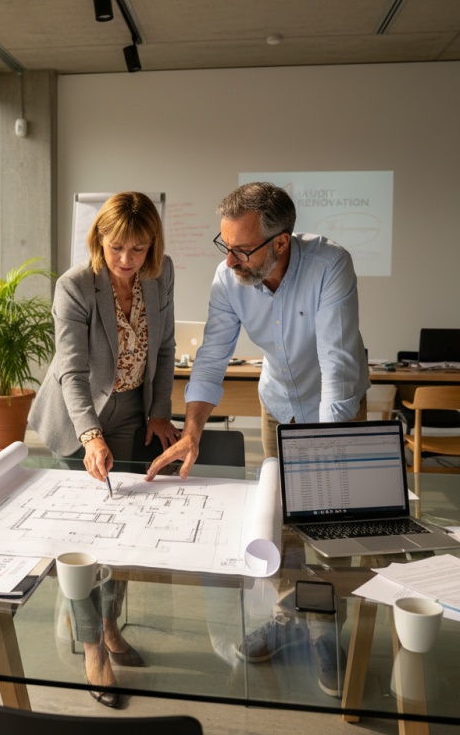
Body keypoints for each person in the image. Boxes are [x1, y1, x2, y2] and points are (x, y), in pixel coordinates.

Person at [146, 181, 370, 697]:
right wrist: (194, 431)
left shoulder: (330, 265)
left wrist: (319, 458)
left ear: (282, 242)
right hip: (278, 403)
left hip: (336, 408)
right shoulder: (230, 280)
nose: (230, 261)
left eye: (242, 249)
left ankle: (326, 628)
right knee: (281, 520)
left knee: (331, 522)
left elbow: (336, 368)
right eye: (225, 247)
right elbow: (211, 357)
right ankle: (292, 613)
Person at [29, 191, 179, 708]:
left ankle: (110, 625)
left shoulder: (162, 275)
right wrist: (90, 436)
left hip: (134, 412)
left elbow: (163, 347)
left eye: (138, 249)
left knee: (125, 533)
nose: (126, 260)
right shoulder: (74, 286)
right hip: (80, 419)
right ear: (99, 239)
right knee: (82, 542)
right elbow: (71, 371)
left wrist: (159, 410)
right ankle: (93, 650)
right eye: (117, 247)